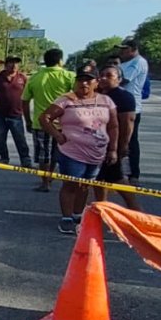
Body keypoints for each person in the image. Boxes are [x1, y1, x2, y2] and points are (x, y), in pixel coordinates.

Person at [39, 65, 118, 235]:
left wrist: (113, 149)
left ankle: (77, 215)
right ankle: (66, 218)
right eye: (81, 80)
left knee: (85, 185)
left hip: (97, 153)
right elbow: (44, 118)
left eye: (89, 80)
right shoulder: (66, 100)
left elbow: (113, 126)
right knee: (71, 184)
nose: (84, 84)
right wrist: (58, 136)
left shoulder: (106, 101)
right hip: (72, 152)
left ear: (96, 82)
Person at [22, 48, 76, 191]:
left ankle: (45, 182)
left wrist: (27, 120)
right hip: (63, 123)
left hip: (40, 124)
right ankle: (51, 175)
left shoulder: (35, 77)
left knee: (43, 155)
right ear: (60, 61)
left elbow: (25, 100)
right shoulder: (69, 76)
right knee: (56, 152)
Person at [93, 64, 139, 211]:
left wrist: (122, 146)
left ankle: (136, 211)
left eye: (109, 76)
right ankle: (102, 208)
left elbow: (128, 123)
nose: (104, 78)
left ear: (119, 79)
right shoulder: (97, 93)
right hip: (97, 143)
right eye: (102, 75)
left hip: (114, 145)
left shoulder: (123, 97)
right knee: (99, 179)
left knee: (117, 178)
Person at [0, 55, 31, 167]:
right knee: (0, 138)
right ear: (6, 65)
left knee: (20, 138)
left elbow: (30, 91)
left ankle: (25, 159)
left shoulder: (22, 78)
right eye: (11, 63)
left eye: (16, 63)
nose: (14, 66)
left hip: (16, 114)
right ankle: (4, 158)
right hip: (0, 114)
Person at [117, 38, 149, 179]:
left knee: (129, 141)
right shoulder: (126, 63)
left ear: (134, 49)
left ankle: (133, 173)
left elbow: (123, 80)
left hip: (130, 107)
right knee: (118, 140)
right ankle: (119, 172)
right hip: (119, 105)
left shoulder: (138, 62)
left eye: (125, 49)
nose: (121, 52)